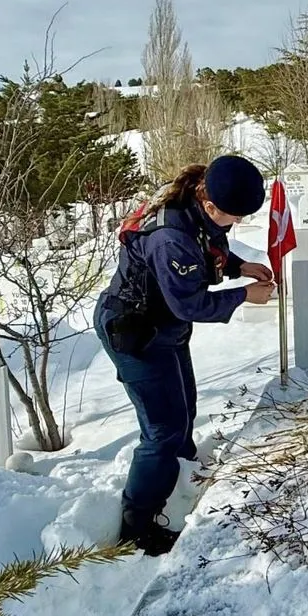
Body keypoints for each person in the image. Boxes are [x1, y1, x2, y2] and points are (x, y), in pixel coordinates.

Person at [94, 154, 275, 555]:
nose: (239, 223)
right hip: (135, 333)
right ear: (209, 204)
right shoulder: (169, 237)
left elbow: (209, 249)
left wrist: (241, 266)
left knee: (184, 410)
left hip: (164, 328)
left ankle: (179, 480)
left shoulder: (196, 208)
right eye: (235, 215)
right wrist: (245, 294)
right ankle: (138, 524)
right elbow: (189, 304)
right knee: (162, 433)